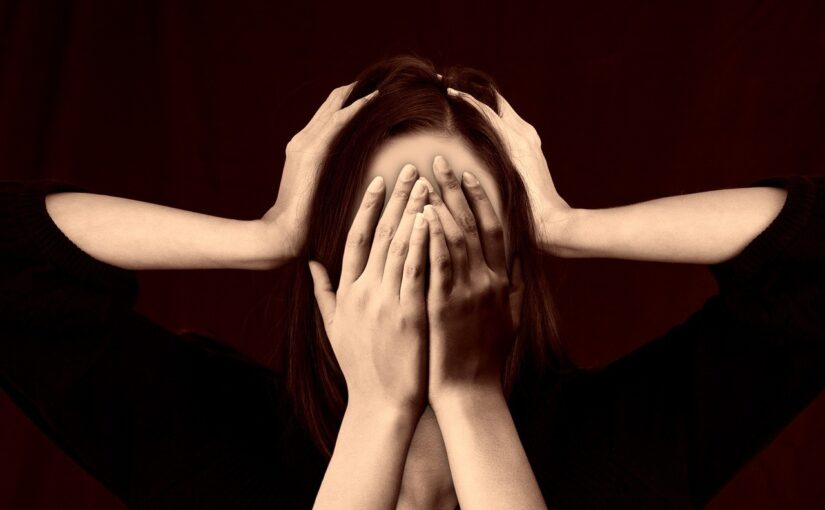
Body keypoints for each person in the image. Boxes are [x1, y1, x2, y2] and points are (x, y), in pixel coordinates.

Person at [0, 54, 823, 509]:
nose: (423, 248)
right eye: (384, 213)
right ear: (330, 246)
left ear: (515, 255)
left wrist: (572, 227)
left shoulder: (627, 440)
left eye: (463, 211)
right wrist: (264, 238)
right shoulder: (210, 434)